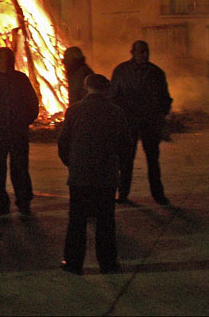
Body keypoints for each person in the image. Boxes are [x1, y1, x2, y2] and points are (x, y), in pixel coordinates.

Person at [57, 74, 129, 275]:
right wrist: (117, 167)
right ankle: (108, 263)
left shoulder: (74, 111)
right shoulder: (115, 112)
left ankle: (73, 263)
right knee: (105, 220)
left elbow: (63, 142)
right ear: (105, 90)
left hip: (80, 176)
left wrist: (72, 164)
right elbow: (125, 145)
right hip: (105, 177)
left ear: (87, 87)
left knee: (77, 220)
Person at [110, 40, 172, 206]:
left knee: (153, 160)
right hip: (129, 123)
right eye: (141, 52)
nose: (145, 55)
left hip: (149, 123)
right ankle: (123, 193)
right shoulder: (121, 71)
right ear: (133, 53)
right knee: (126, 160)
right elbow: (113, 96)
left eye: (146, 51)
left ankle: (158, 195)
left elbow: (165, 98)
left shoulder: (156, 73)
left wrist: (160, 116)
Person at [0, 47, 39, 217]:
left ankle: (23, 202)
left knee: (20, 168)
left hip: (17, 132)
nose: (7, 63)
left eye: (9, 59)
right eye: (4, 59)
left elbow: (32, 102)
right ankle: (0, 203)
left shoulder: (21, 79)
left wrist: (25, 121)